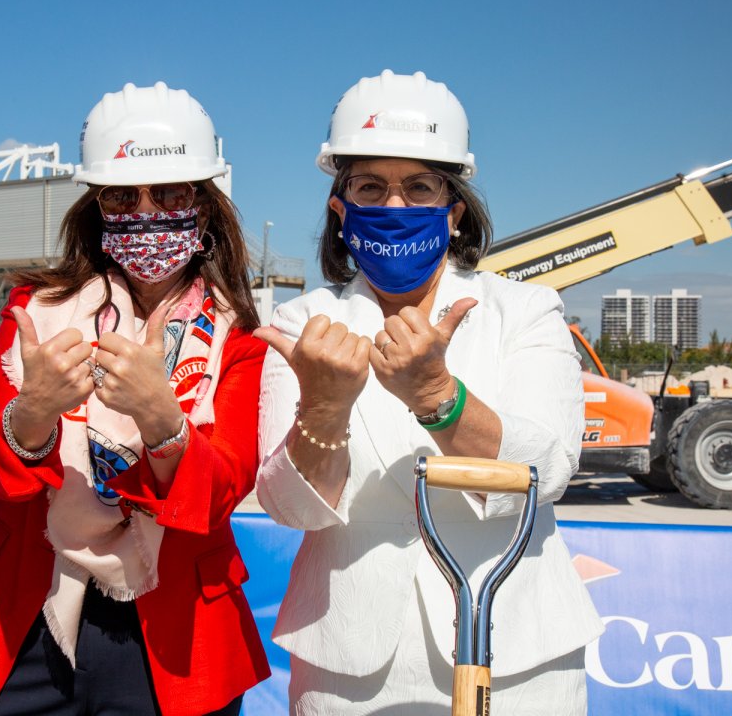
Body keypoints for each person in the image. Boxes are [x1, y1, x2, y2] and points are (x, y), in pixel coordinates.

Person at [255, 70, 603, 714]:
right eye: (369, 186)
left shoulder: (526, 310)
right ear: (340, 208)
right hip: (349, 665)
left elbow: (546, 470)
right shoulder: (301, 325)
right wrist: (324, 408)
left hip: (519, 652)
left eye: (419, 186)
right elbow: (288, 507)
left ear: (455, 208)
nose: (394, 205)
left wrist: (439, 396)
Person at [0, 82, 270, 715]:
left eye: (168, 192)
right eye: (122, 195)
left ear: (204, 203)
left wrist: (163, 422)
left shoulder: (239, 339)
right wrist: (33, 411)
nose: (145, 211)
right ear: (97, 205)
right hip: (22, 618)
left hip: (177, 630)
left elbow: (223, 490)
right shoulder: (37, 312)